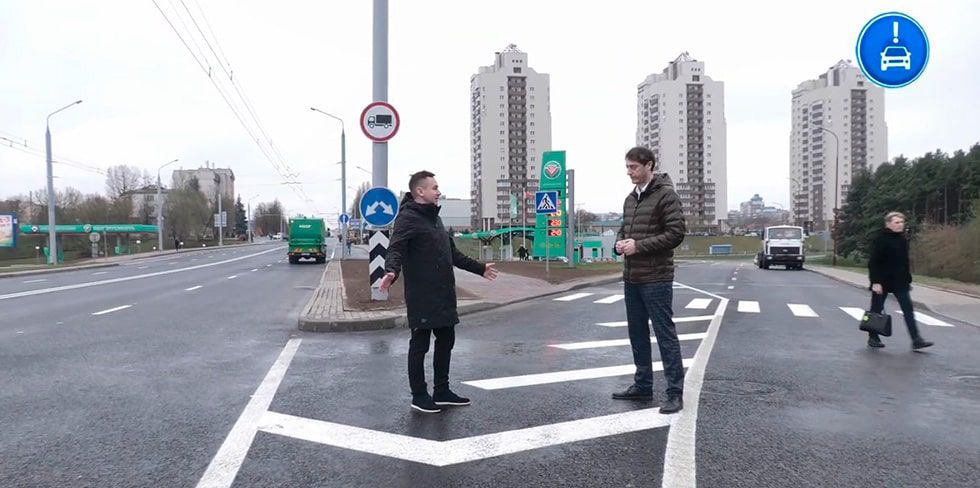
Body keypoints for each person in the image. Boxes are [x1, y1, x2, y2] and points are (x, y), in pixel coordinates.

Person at [379, 170, 499, 414]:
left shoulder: (435, 219)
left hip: (443, 292)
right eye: (434, 187)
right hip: (422, 294)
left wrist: (480, 268)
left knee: (446, 340)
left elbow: (452, 254)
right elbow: (396, 248)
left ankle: (442, 391)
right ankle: (419, 395)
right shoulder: (408, 218)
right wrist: (391, 271)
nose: (438, 191)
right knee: (420, 344)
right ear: (419, 191)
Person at [612, 146, 687, 414]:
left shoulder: (666, 196)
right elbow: (625, 229)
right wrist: (619, 244)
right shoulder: (630, 199)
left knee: (664, 334)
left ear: (649, 166)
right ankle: (642, 384)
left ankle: (675, 393)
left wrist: (639, 246)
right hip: (632, 276)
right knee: (637, 334)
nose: (629, 172)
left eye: (633, 167)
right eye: (627, 167)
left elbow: (676, 233)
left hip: (656, 277)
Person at [866, 211, 934, 350]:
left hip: (900, 282)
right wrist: (875, 282)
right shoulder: (880, 239)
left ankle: (916, 339)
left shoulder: (902, 240)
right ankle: (873, 337)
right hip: (882, 281)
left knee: (908, 310)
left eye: (902, 222)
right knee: (876, 310)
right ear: (888, 223)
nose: (900, 225)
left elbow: (904, 262)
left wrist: (908, 281)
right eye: (897, 222)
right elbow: (874, 262)